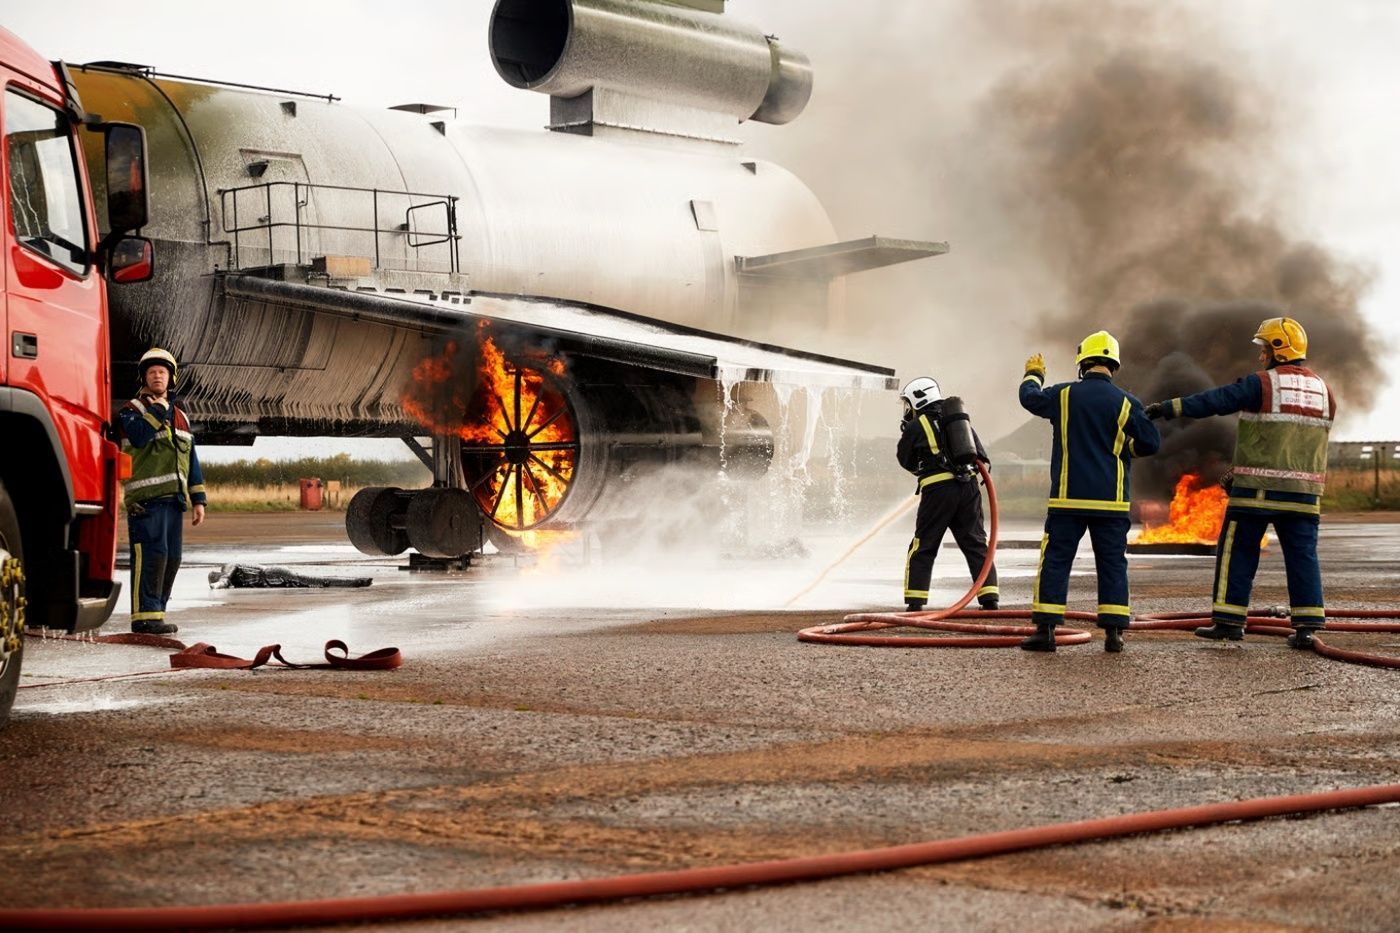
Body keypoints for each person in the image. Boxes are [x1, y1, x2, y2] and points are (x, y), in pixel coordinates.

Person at [1144, 317, 1334, 649]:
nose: (1261, 356)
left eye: (1264, 349)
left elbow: (1215, 400)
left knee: (1238, 553)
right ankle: (1306, 628)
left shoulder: (1262, 384)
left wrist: (1169, 408)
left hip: (1257, 492)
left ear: (1278, 349)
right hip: (1304, 496)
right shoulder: (1324, 391)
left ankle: (1229, 623)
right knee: (1303, 557)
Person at [1019, 332, 1161, 653]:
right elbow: (1152, 443)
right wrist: (1123, 448)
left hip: (1068, 499)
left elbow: (1030, 398)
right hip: (1111, 502)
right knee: (1112, 564)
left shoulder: (1064, 395)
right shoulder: (1127, 402)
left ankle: (1046, 632)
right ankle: (1114, 635)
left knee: (1056, 561)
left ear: (1083, 362)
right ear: (1113, 364)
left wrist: (1033, 374)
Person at [118, 348, 207, 635]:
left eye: (162, 372)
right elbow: (139, 437)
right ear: (144, 378)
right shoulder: (132, 410)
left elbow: (191, 459)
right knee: (151, 555)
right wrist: (156, 410)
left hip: (173, 500)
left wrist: (198, 499)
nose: (157, 376)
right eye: (152, 372)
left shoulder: (181, 416)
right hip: (146, 501)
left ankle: (157, 612)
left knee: (171, 557)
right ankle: (143, 618)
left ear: (171, 378)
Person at [896, 377, 998, 613]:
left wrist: (925, 468)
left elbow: (904, 459)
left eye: (908, 404)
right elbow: (981, 457)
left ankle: (915, 602)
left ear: (917, 400)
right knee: (976, 544)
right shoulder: (959, 422)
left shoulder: (916, 426)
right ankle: (990, 599)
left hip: (938, 493)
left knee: (923, 546)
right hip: (969, 489)